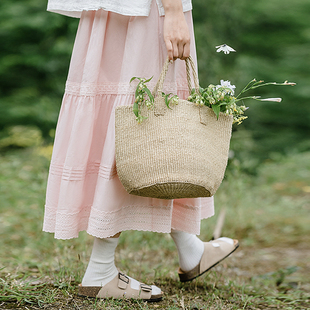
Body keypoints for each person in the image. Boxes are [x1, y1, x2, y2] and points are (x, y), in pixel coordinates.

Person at [44, 0, 239, 301]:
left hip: (116, 9)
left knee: (150, 121)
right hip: (145, 11)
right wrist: (173, 11)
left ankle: (189, 246)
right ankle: (99, 269)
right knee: (140, 116)